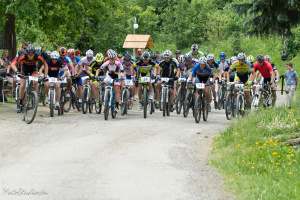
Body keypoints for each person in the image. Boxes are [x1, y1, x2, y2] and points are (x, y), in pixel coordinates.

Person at [10, 44, 48, 111]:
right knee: (22, 85)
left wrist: (45, 75)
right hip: (23, 71)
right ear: (26, 53)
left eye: (32, 53)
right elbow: (12, 64)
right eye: (29, 53)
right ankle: (21, 101)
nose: (30, 55)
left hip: (33, 71)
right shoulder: (23, 56)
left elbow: (45, 64)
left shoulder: (37, 56)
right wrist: (17, 72)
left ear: (34, 53)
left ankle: (35, 99)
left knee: (36, 82)